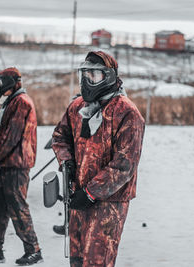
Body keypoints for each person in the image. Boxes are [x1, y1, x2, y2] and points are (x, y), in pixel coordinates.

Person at [52, 51, 145, 267]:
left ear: (109, 77)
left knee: (97, 262)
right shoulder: (77, 108)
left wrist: (91, 192)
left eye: (94, 76)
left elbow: (124, 165)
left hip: (109, 203)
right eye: (84, 75)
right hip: (78, 197)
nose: (87, 81)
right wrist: (66, 162)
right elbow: (60, 137)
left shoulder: (127, 113)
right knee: (76, 260)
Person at [0, 67, 43, 265]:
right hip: (9, 163)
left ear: (12, 82)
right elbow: (4, 135)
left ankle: (33, 250)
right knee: (0, 207)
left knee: (18, 207)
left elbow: (11, 138)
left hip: (17, 165)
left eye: (2, 81)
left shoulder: (21, 102)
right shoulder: (13, 101)